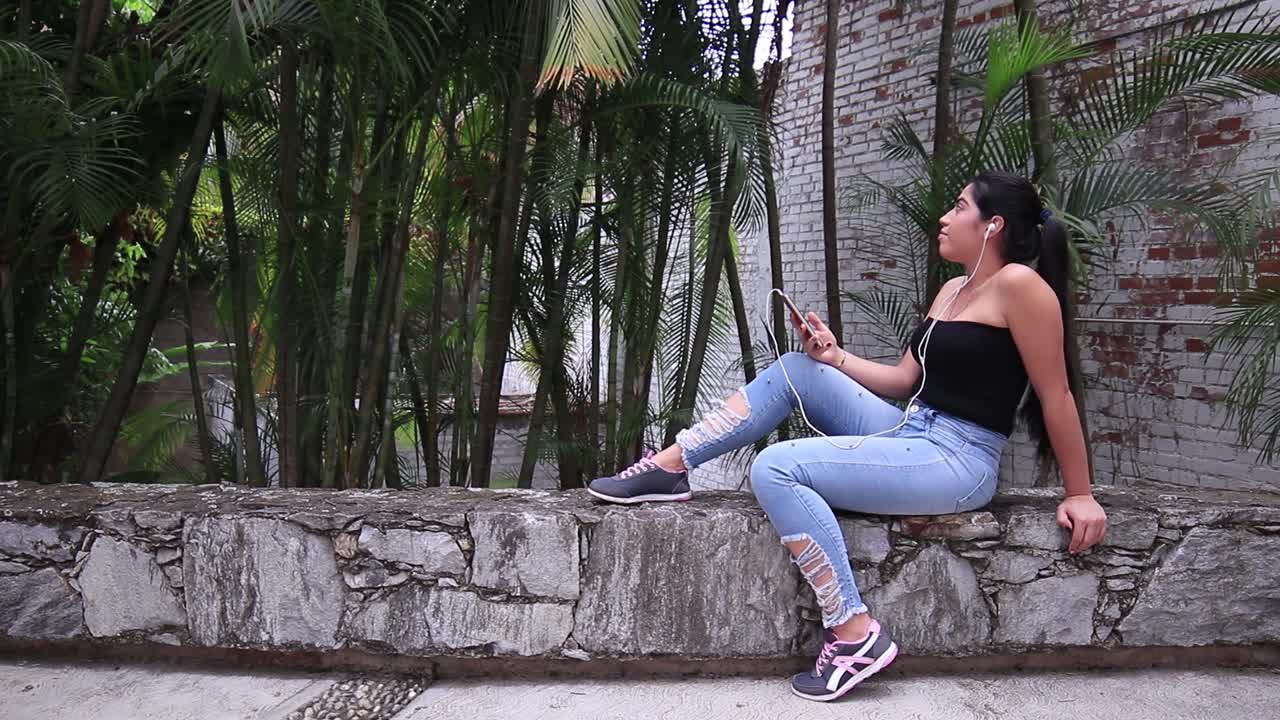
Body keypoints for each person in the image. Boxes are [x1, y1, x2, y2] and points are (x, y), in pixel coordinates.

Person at [587, 170, 1109, 702]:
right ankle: (672, 465)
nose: (945, 218)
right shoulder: (954, 289)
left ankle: (853, 633)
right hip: (912, 428)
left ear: (992, 224)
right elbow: (906, 381)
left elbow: (1057, 396)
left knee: (776, 467)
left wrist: (1081, 493)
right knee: (797, 368)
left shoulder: (1021, 287)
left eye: (958, 207)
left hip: (957, 459)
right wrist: (833, 357)